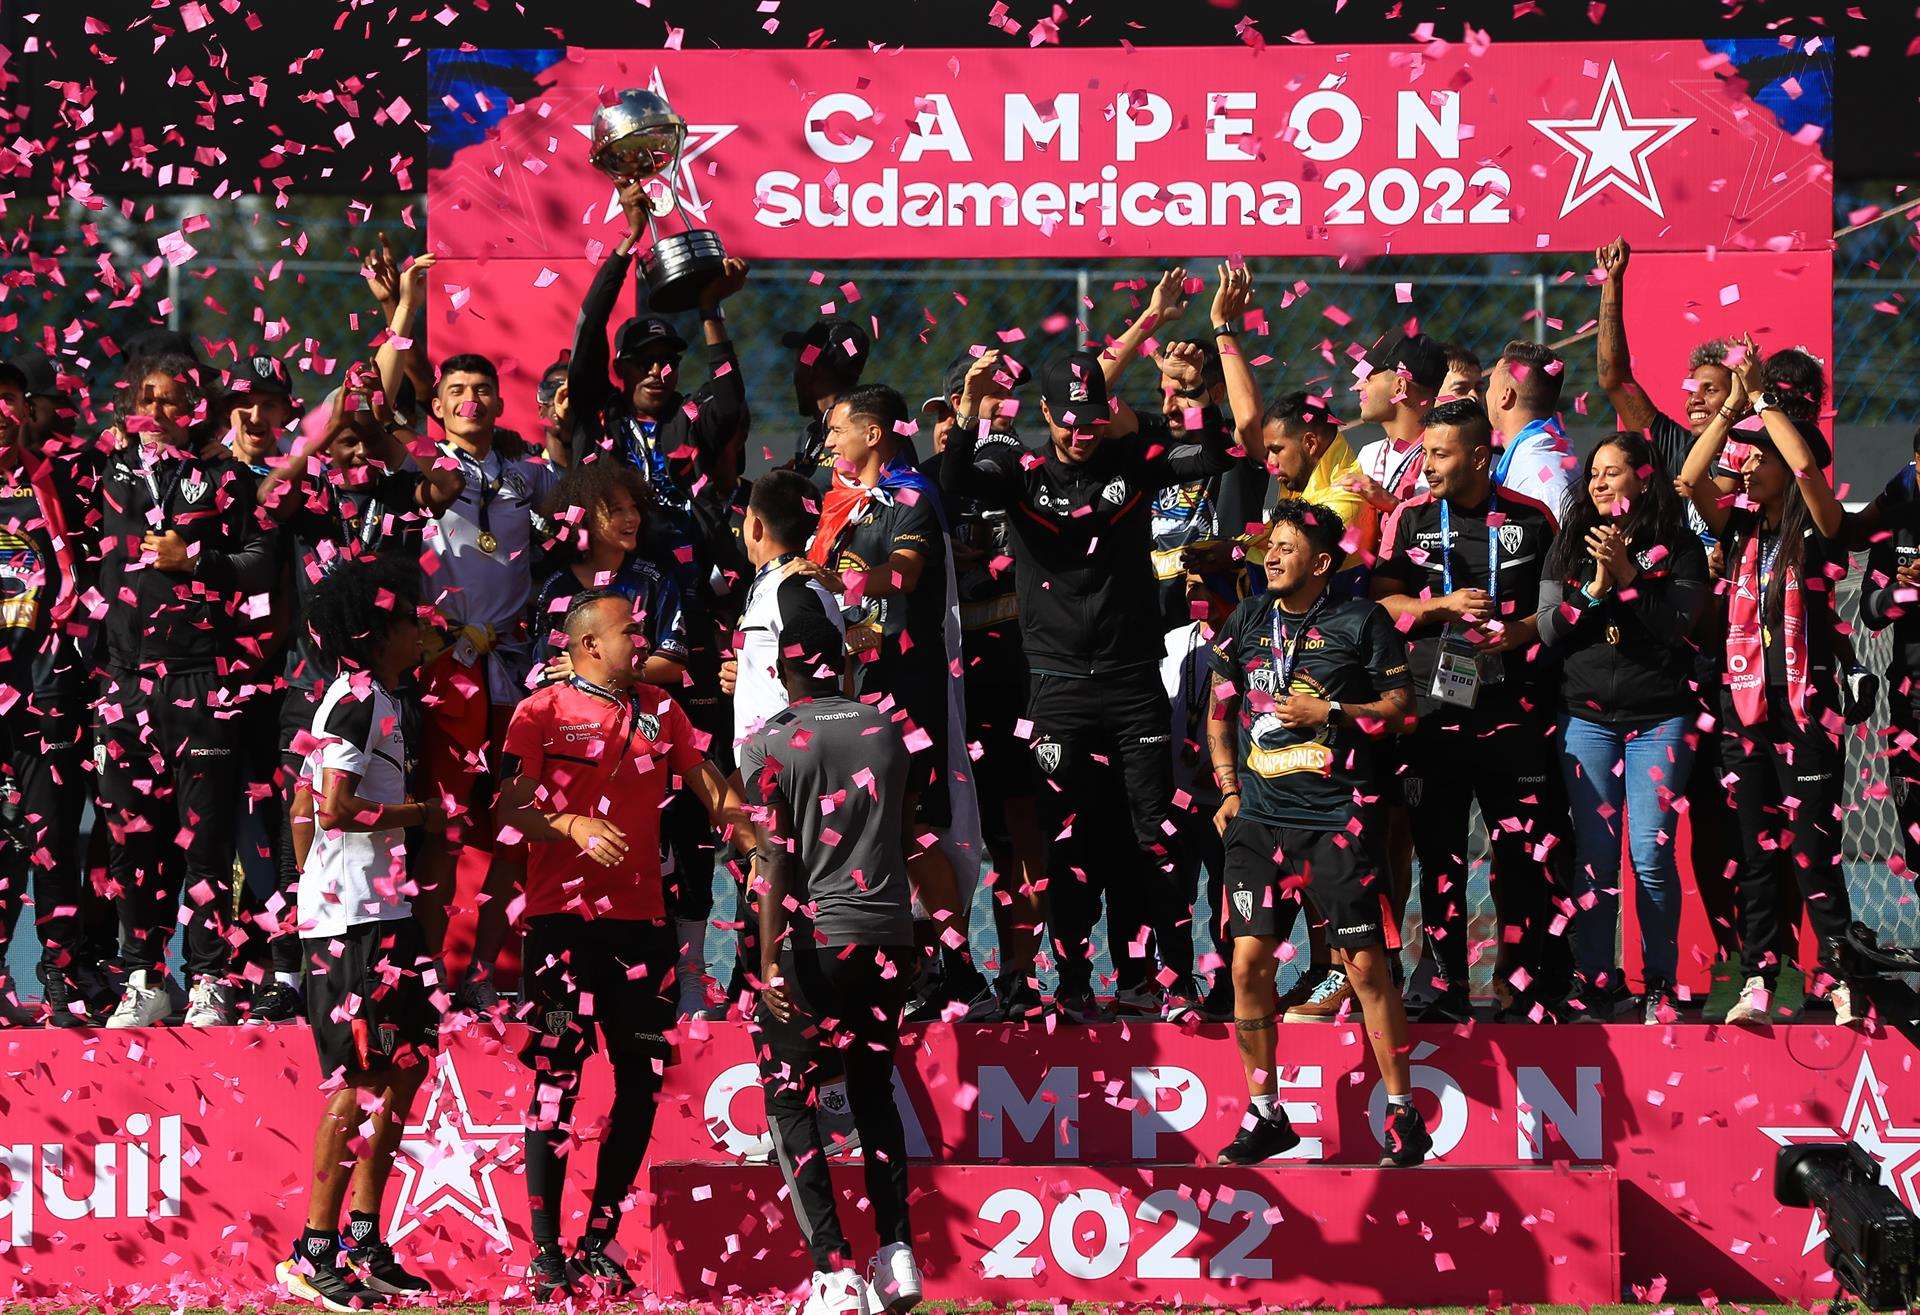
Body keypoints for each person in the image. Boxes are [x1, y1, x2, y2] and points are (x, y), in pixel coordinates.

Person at [938, 344, 1234, 1022]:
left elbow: (1215, 456)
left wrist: (1197, 397)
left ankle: (1169, 977)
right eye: (1069, 419)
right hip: (1055, 686)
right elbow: (958, 478)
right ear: (1045, 413)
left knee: (1154, 834)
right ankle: (1070, 981)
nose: (1081, 431)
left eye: (1093, 417)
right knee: (1065, 837)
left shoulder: (1134, 462)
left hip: (1133, 682)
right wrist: (965, 409)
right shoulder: (1016, 465)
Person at [498, 588, 749, 1297]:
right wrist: (572, 825)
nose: (640, 640)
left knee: (640, 1084)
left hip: (642, 924)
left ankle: (597, 1240)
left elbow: (707, 785)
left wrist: (761, 839)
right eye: (627, 631)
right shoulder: (538, 712)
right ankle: (545, 1252)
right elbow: (510, 809)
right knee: (556, 1083)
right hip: (559, 924)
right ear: (586, 645)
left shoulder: (660, 709)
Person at [1206, 500, 1429, 1166]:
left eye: (1285, 547)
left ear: (1322, 563)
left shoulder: (1362, 621)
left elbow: (1402, 710)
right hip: (1257, 819)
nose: (1270, 556)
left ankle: (1402, 1114)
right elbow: (1218, 708)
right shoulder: (1247, 619)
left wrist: (1328, 707)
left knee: (1363, 967)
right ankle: (1265, 1111)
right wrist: (1226, 786)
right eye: (1267, 545)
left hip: (1335, 817)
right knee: (1248, 963)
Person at [254, 316, 463, 1022]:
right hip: (313, 689)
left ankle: (405, 958)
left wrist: (383, 429)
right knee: (303, 815)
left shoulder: (399, 498)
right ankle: (293, 962)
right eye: (339, 441)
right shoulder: (308, 505)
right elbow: (263, 499)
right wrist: (326, 423)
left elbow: (448, 480)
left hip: (392, 693)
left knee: (395, 825)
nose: (349, 450)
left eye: (358, 442)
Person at [742, 608, 923, 1315]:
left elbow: (774, 859)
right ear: (840, 662)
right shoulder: (888, 729)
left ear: (781, 670)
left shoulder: (773, 743)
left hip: (818, 940)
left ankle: (834, 1270)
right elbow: (908, 834)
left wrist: (767, 961)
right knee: (874, 1091)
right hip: (890, 936)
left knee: (789, 1094)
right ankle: (897, 1251)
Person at [278, 557, 442, 1312]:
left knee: (403, 1073)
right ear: (379, 631)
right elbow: (334, 806)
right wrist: (421, 814)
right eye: (411, 617)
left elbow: (306, 805)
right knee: (364, 1081)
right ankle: (312, 1249)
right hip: (351, 924)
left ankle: (366, 1242)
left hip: (384, 911)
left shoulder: (379, 701)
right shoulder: (353, 701)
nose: (422, 628)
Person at [1679, 337, 1858, 1026]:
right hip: (1742, 709)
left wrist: (1760, 400)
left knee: (1811, 853)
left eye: (1759, 456)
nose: (1745, 466)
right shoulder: (1740, 524)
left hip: (1807, 711)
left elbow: (1808, 461)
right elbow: (1690, 481)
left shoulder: (1819, 523)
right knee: (1754, 851)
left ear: (1786, 465)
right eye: (1746, 455)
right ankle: (1759, 977)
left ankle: (1842, 976)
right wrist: (1730, 412)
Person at [97, 351, 273, 1028]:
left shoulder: (225, 477)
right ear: (127, 406)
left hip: (203, 680)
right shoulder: (102, 470)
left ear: (195, 410)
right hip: (126, 682)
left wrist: (199, 558)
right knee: (131, 842)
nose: (160, 413)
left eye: (175, 401)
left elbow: (261, 563)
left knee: (204, 843)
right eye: (149, 398)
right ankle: (144, 976)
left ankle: (208, 979)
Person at [1371, 399, 1563, 1022]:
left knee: (1521, 857)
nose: (1426, 465)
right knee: (1439, 852)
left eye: (1439, 454)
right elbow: (1383, 605)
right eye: (1425, 452)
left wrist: (1521, 631)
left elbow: (1559, 611)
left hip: (1516, 711)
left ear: (1480, 456)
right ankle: (1447, 981)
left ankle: (1519, 982)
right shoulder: (1410, 516)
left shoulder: (1534, 520)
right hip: (1434, 714)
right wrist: (1441, 607)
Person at [812, 383, 987, 1018]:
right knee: (871, 831)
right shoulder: (839, 504)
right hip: (854, 689)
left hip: (910, 686)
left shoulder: (911, 498)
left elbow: (905, 575)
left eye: (837, 430)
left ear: (873, 434)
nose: (828, 441)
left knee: (912, 826)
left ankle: (957, 965)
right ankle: (907, 968)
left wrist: (837, 581)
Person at [1537, 432, 1708, 1023]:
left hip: (1659, 718)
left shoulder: (1679, 545)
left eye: (1612, 471)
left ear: (1643, 476)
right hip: (1586, 720)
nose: (1600, 482)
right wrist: (1595, 588)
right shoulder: (1568, 542)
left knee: (1650, 854)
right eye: (1593, 474)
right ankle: (1594, 981)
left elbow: (1678, 627)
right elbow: (1548, 632)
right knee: (1595, 857)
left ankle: (1659, 981)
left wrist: (1631, 576)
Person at [417, 351, 560, 1007]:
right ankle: (428, 974)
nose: (470, 399)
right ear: (439, 406)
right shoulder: (423, 473)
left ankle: (481, 975)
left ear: (500, 405)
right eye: (457, 391)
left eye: (481, 390)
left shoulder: (529, 478)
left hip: (517, 672)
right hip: (449, 673)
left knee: (511, 834)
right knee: (443, 835)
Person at [918, 353, 1048, 1023]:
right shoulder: (921, 488)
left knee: (1019, 835)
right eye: (943, 418)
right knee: (945, 835)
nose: (950, 429)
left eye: (964, 415)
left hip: (1013, 678)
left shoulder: (1018, 471)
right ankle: (951, 968)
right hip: (943, 687)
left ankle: (1022, 977)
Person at [565, 177, 749, 499]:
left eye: (667, 361)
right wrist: (630, 240)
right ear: (620, 367)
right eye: (643, 361)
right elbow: (590, 327)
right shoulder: (598, 411)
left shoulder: (689, 417)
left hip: (688, 548)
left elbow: (730, 404)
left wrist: (709, 310)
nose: (656, 371)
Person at [0, 360, 88, 1023]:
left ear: (25, 409)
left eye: (8, 402)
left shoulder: (51, 482)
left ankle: (58, 971)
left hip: (42, 691)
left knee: (51, 834)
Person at [1860, 426, 1920, 883]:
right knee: (1916, 822)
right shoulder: (1896, 525)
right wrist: (1901, 592)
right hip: (1913, 693)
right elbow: (1871, 610)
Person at [1350, 332, 1448, 509]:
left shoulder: (1446, 457)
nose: (1358, 387)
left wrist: (1393, 505)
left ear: (1400, 387)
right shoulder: (1368, 455)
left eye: (1369, 378)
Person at [1484, 339, 1577, 515]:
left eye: (1490, 385)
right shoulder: (1534, 458)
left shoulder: (1539, 478)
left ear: (1505, 396)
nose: (1485, 395)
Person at [786, 315, 872, 487]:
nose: (794, 374)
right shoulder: (810, 435)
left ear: (814, 369)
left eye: (800, 362)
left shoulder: (867, 430)